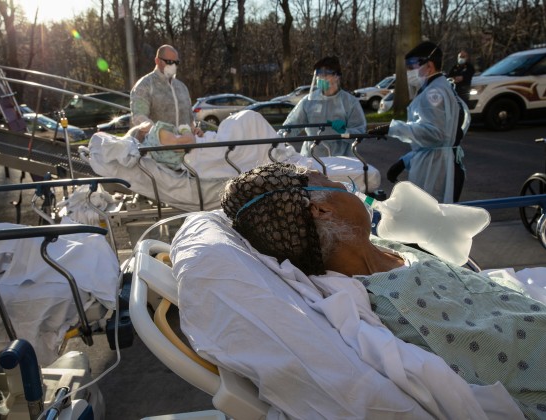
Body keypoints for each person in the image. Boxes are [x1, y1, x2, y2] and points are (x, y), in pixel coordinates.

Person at [220, 161, 546, 419]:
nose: (354, 189)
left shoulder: (380, 245)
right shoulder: (395, 304)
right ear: (321, 210)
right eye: (338, 184)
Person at [369, 41, 467, 203]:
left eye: (412, 66)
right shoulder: (438, 87)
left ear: (429, 65)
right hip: (437, 164)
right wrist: (406, 160)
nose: (409, 71)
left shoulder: (434, 93)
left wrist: (393, 129)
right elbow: (433, 140)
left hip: (435, 170)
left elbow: (434, 134)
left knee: (429, 220)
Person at [277, 56, 366, 158]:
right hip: (312, 158)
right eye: (318, 74)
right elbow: (291, 126)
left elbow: (360, 134)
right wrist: (277, 140)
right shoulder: (308, 101)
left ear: (336, 76)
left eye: (325, 74)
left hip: (342, 161)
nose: (320, 77)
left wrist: (344, 132)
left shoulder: (350, 102)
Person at [130, 44, 203, 138]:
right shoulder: (145, 85)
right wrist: (159, 134)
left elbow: (190, 119)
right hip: (156, 148)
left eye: (176, 62)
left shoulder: (182, 87)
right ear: (157, 61)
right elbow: (139, 117)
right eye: (169, 61)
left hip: (185, 146)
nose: (173, 65)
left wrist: (195, 130)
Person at [127, 120, 195, 170]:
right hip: (198, 155)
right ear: (142, 129)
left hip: (192, 163)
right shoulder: (155, 133)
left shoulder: (150, 152)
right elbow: (188, 142)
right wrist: (185, 129)